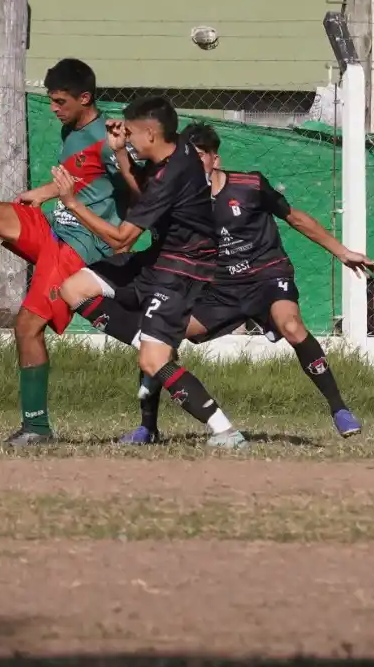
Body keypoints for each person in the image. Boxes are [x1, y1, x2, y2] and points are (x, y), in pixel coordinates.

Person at [123, 123, 373, 444]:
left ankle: (339, 409)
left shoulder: (249, 185)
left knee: (292, 326)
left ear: (215, 158)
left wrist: (343, 252)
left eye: (199, 156)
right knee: (158, 340)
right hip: (221, 289)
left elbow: (294, 217)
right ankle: (148, 427)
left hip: (267, 276)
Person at [0, 59, 138, 441]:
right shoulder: (72, 128)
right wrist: (46, 193)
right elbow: (82, 176)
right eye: (51, 100)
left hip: (82, 247)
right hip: (56, 230)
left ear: (85, 98)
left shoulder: (110, 138)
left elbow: (135, 188)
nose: (54, 108)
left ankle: (37, 427)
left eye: (60, 101)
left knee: (27, 326)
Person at [43, 96, 247, 449]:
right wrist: (121, 150)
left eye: (134, 134)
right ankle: (147, 341)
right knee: (74, 288)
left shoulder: (172, 175)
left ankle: (226, 431)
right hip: (159, 258)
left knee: (154, 361)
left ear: (151, 134)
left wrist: (72, 202)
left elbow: (121, 241)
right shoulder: (178, 147)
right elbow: (142, 186)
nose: (131, 139)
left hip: (182, 270)